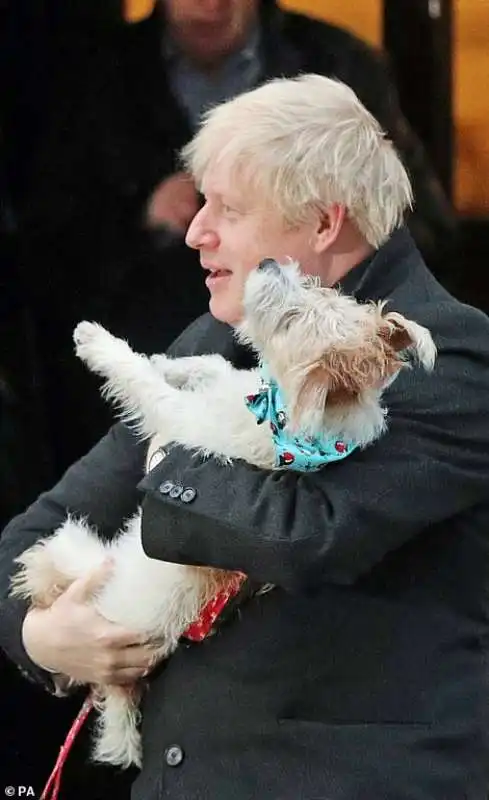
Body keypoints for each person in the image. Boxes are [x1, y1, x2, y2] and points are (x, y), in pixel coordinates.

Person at [2, 73, 488, 800]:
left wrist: (169, 453)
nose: (196, 231)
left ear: (324, 223)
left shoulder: (445, 355)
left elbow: (304, 535)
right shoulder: (218, 338)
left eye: (226, 209)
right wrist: (46, 638)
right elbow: (31, 535)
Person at [7, 0, 456, 473]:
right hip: (138, 376)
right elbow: (42, 249)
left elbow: (419, 224)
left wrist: (314, 247)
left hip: (313, 392)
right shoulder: (91, 75)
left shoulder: (340, 65)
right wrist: (140, 214)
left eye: (231, 209)